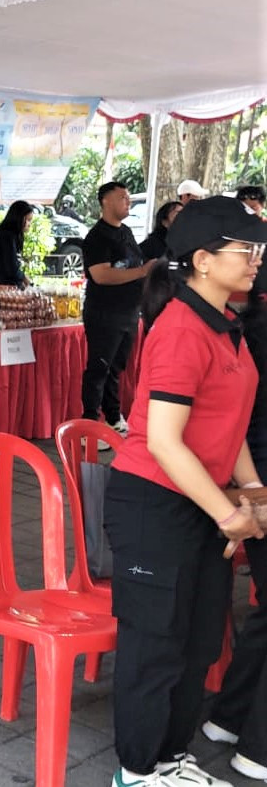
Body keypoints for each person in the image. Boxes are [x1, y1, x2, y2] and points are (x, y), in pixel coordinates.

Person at [103, 195, 267, 787]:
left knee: (198, 644)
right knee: (156, 647)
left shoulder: (227, 326)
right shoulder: (180, 329)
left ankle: (171, 758)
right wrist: (230, 513)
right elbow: (168, 443)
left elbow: (231, 421)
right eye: (244, 249)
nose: (255, 260)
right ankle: (138, 769)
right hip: (156, 503)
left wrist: (251, 487)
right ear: (201, 259)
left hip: (200, 502)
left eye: (258, 249)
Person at [203, 280, 267, 782]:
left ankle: (228, 719)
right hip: (254, 485)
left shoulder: (243, 329)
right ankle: (259, 748)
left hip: (252, 481)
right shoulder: (226, 329)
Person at [81, 182, 152, 438]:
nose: (128, 202)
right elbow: (101, 275)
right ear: (106, 202)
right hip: (104, 313)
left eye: (128, 197)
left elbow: (136, 262)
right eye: (122, 197)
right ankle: (88, 426)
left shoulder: (126, 233)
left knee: (116, 368)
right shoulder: (97, 237)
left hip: (129, 312)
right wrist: (142, 272)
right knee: (98, 368)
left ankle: (112, 417)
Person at [0, 200, 34, 287]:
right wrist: (23, 277)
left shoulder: (2, 232)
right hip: (5, 287)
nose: (29, 224)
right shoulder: (8, 235)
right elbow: (11, 268)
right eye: (28, 220)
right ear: (19, 218)